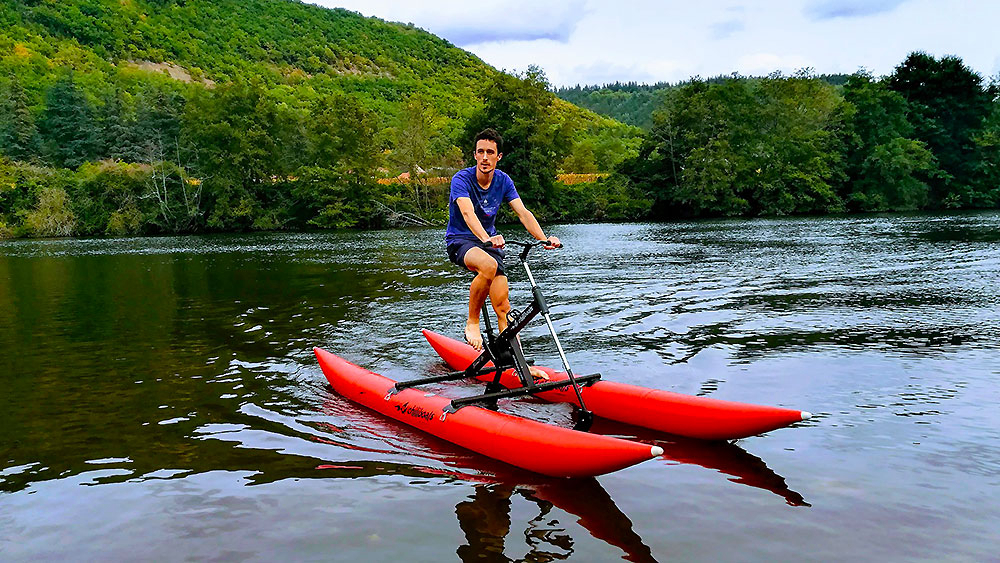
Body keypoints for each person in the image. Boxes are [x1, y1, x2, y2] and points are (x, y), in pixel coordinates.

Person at [445, 128, 560, 350]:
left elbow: (523, 213)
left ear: (499, 157)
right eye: (481, 152)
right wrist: (487, 238)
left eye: (490, 152)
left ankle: (516, 362)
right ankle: (472, 322)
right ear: (475, 155)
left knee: (503, 307)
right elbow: (468, 213)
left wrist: (545, 239)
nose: (485, 157)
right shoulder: (461, 179)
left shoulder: (503, 180)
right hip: (461, 240)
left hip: (489, 244)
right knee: (488, 265)